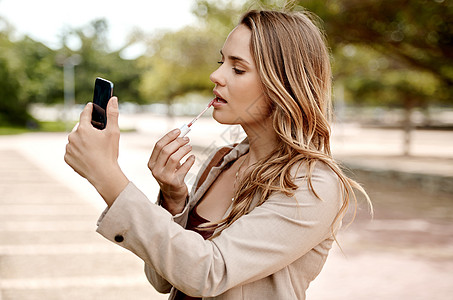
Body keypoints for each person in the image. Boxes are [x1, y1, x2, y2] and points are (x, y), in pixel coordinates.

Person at [65, 9, 371, 300]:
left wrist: (107, 176)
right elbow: (164, 277)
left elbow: (207, 272)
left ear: (284, 86)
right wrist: (174, 200)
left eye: (237, 68)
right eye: (221, 62)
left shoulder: (313, 185)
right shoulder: (223, 161)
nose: (216, 75)